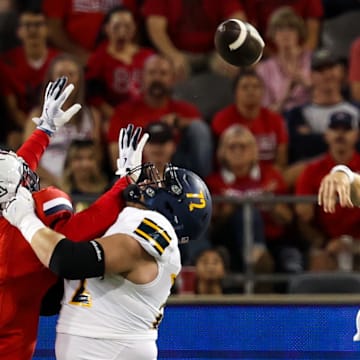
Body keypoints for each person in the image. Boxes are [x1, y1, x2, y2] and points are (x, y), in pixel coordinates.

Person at [3, 162, 212, 359]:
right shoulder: (129, 223)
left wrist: (25, 218)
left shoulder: (154, 228)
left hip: (111, 350)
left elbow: (69, 260)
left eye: (164, 185)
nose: (150, 183)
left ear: (170, 206)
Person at [0, 77, 146, 359]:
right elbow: (88, 222)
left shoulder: (10, 201)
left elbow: (11, 178)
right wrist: (125, 181)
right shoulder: (36, 215)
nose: (26, 166)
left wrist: (44, 129)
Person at [107, 54, 213, 178]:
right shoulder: (124, 112)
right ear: (142, 77)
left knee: (198, 127)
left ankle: (199, 183)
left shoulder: (186, 110)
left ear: (173, 78)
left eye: (163, 73)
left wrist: (179, 122)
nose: (157, 78)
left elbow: (202, 135)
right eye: (152, 73)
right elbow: (116, 159)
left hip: (180, 173)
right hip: (138, 173)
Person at [25, 53, 104, 188]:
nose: (66, 79)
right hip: (47, 182)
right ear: (51, 78)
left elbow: (97, 156)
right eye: (61, 74)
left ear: (80, 79)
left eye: (72, 74)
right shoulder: (37, 115)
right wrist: (57, 183)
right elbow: (27, 160)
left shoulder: (92, 115)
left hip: (82, 182)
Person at [296, 112, 360, 271]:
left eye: (346, 129)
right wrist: (324, 243)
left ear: (356, 135)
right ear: (326, 136)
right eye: (335, 129)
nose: (340, 134)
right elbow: (303, 215)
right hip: (326, 243)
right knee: (319, 261)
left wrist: (354, 244)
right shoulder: (312, 171)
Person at [142, 0, 245, 80]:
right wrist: (172, 55)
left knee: (230, 64)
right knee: (169, 70)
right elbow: (155, 28)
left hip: (214, 51)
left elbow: (237, 20)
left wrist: (227, 49)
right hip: (178, 53)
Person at [86, 5, 155, 121]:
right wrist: (118, 117)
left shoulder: (148, 56)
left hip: (146, 114)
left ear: (134, 28)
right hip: (114, 116)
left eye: (127, 27)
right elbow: (94, 97)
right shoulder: (97, 59)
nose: (122, 33)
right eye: (116, 27)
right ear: (106, 28)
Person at [211, 68, 289, 171]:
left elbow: (281, 161)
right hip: (233, 175)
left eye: (256, 87)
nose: (251, 91)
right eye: (245, 87)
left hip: (268, 176)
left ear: (263, 92)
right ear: (235, 93)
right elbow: (221, 158)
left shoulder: (275, 120)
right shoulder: (222, 119)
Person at [255, 7, 312, 113]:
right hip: (281, 117)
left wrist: (306, 84)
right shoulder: (264, 69)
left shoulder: (312, 59)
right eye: (280, 29)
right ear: (273, 35)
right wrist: (285, 96)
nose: (286, 34)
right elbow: (266, 113)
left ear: (299, 32)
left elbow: (327, 94)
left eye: (291, 28)